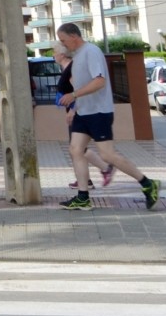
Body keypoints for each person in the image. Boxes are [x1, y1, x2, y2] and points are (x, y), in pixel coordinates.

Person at [54, 23, 159, 211]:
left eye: (63, 40)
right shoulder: (78, 56)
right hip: (84, 111)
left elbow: (99, 81)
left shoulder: (91, 52)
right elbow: (82, 84)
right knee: (76, 150)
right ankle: (83, 197)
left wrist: (74, 95)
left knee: (107, 155)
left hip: (99, 112)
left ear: (73, 36)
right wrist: (74, 109)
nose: (62, 45)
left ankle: (148, 183)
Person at [54, 48, 113, 188]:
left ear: (62, 54)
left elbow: (78, 91)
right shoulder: (67, 68)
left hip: (79, 112)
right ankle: (85, 179)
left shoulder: (70, 69)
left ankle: (104, 168)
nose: (53, 55)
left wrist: (73, 110)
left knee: (77, 148)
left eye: (54, 52)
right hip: (77, 111)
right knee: (76, 149)